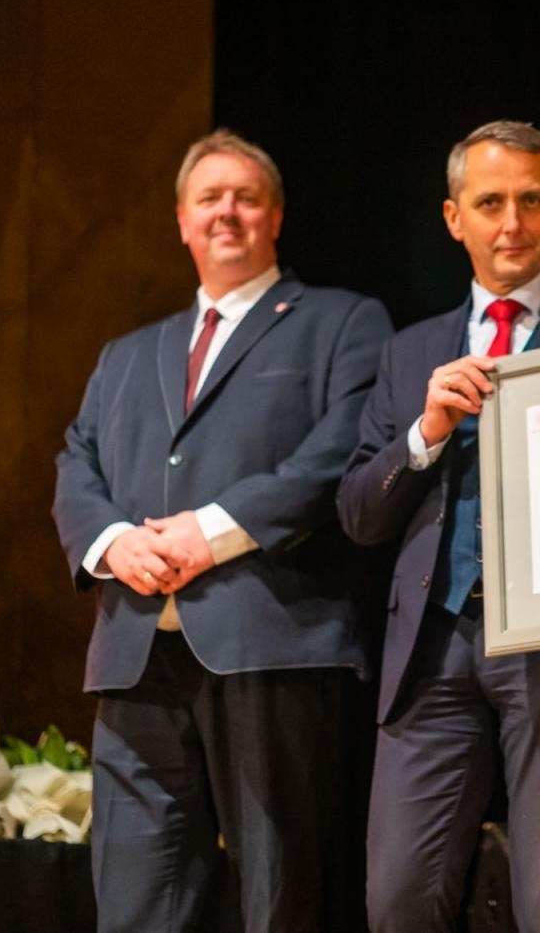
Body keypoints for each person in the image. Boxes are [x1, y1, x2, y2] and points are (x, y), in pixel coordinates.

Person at [52, 129, 392, 932]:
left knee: (278, 898)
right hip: (135, 653)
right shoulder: (128, 353)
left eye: (245, 197)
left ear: (275, 216)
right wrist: (112, 543)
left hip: (270, 644)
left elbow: (340, 448)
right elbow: (77, 461)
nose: (227, 213)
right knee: (136, 898)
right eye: (210, 198)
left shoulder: (343, 322)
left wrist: (214, 530)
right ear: (181, 220)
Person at [336, 120, 540, 933]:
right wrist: (426, 432)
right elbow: (361, 515)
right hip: (433, 650)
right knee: (398, 900)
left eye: (531, 201)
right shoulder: (412, 353)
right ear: (454, 218)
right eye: (490, 202)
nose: (512, 222)